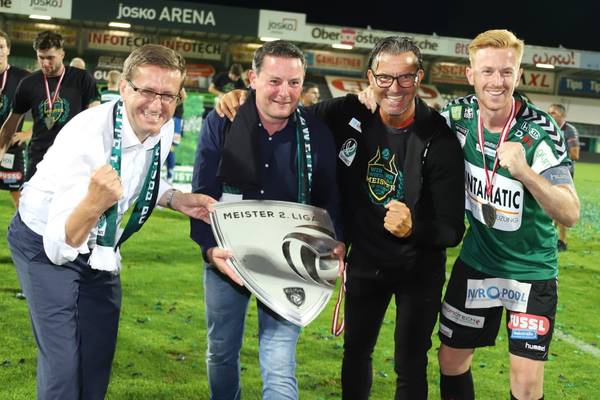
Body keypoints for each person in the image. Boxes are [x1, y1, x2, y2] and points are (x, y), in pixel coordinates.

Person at [215, 36, 466, 400]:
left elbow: (452, 228)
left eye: (406, 77)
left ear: (419, 77)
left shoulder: (439, 138)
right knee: (356, 354)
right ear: (370, 77)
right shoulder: (346, 112)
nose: (395, 88)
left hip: (418, 269)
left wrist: (415, 228)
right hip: (364, 262)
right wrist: (243, 97)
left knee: (410, 362)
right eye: (385, 78)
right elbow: (287, 112)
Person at [7, 44, 215, 400]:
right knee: (62, 364)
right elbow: (59, 246)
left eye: (168, 95)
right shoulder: (87, 139)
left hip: (101, 248)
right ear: (123, 88)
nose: (157, 104)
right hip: (44, 242)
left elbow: (140, 177)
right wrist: (93, 203)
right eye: (146, 91)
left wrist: (176, 198)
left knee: (97, 356)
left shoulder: (161, 127)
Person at [190, 40, 344, 400]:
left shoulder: (316, 133)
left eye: (294, 82)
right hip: (228, 256)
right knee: (221, 350)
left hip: (289, 260)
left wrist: (335, 241)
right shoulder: (222, 121)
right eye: (275, 81)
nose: (285, 92)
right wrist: (209, 250)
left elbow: (328, 200)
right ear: (252, 79)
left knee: (278, 358)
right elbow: (203, 193)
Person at [437, 30, 580, 400]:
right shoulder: (457, 115)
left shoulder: (541, 132)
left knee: (526, 385)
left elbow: (570, 212)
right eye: (487, 71)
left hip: (531, 272)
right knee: (450, 360)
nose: (496, 81)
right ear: (471, 75)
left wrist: (525, 172)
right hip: (477, 262)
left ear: (519, 75)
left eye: (506, 72)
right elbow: (407, 123)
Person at [0, 31, 100, 180]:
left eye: (50, 58)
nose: (45, 63)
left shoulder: (82, 79)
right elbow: (10, 126)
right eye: (41, 57)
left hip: (73, 160)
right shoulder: (28, 83)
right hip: (39, 160)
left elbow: (95, 119)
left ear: (62, 54)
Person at [0, 30, 30, 208]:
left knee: (19, 196)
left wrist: (27, 133)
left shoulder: (23, 77)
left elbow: (47, 109)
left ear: (8, 50)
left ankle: (24, 224)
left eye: (1, 46)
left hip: (11, 146)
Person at [548, 103, 579, 251]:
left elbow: (575, 154)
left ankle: (562, 241)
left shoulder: (569, 130)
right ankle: (550, 236)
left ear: (562, 115)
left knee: (560, 205)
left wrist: (556, 154)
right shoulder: (548, 128)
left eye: (553, 113)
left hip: (563, 172)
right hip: (548, 170)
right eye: (549, 112)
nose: (549, 115)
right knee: (549, 205)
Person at [166, 87, 186, 183]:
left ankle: (170, 176)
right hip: (174, 117)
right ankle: (169, 176)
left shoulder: (176, 82)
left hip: (175, 117)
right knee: (167, 146)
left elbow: (183, 95)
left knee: (170, 147)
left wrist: (169, 107)